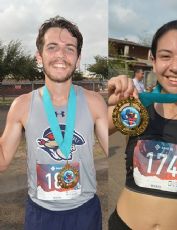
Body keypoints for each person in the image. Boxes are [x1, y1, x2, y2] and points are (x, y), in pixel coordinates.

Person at [0, 16, 108, 230]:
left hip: (84, 212)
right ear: (39, 57)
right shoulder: (21, 105)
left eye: (69, 48)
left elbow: (116, 148)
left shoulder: (95, 102)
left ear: (78, 58)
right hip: (40, 214)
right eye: (52, 47)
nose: (61, 55)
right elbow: (2, 159)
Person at [107, 20, 177, 230]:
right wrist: (110, 98)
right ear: (154, 62)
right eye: (166, 56)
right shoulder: (135, 108)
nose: (175, 67)